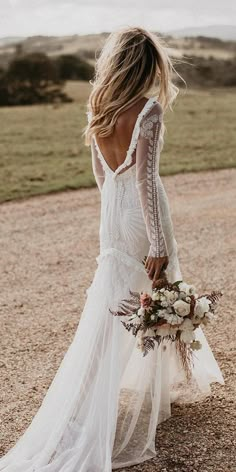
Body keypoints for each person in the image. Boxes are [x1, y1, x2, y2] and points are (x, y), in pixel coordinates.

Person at [0, 26, 224, 472]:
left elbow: (103, 176)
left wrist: (111, 222)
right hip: (144, 214)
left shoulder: (98, 105)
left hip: (114, 213)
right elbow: (146, 180)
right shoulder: (149, 109)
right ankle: (98, 403)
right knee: (155, 291)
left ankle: (137, 392)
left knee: (116, 300)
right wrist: (158, 243)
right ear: (145, 66)